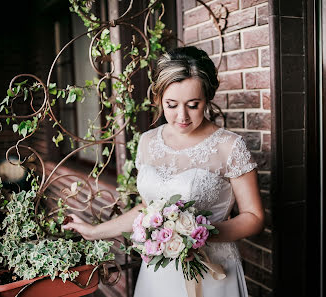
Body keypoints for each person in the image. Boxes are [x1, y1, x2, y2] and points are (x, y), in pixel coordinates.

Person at [63, 46, 264, 297]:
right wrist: (94, 231)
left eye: (193, 104)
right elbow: (147, 211)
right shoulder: (148, 142)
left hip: (212, 271)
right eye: (171, 104)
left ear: (207, 98)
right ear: (158, 99)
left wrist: (197, 235)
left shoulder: (229, 146)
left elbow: (254, 217)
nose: (182, 116)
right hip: (158, 274)